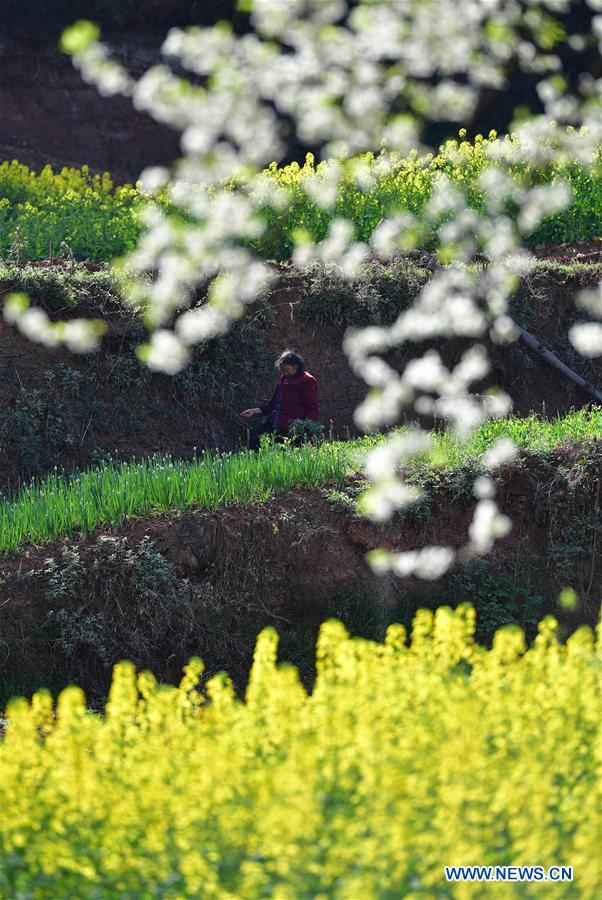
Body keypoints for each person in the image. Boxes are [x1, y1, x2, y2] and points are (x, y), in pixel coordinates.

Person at [240, 350, 319, 451]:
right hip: (274, 425)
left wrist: (307, 430)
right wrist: (254, 411)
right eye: (282, 371)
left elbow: (312, 408)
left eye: (287, 370)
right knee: (253, 435)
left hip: (290, 429)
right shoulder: (283, 379)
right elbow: (273, 405)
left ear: (295, 366)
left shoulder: (307, 380)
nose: (285, 373)